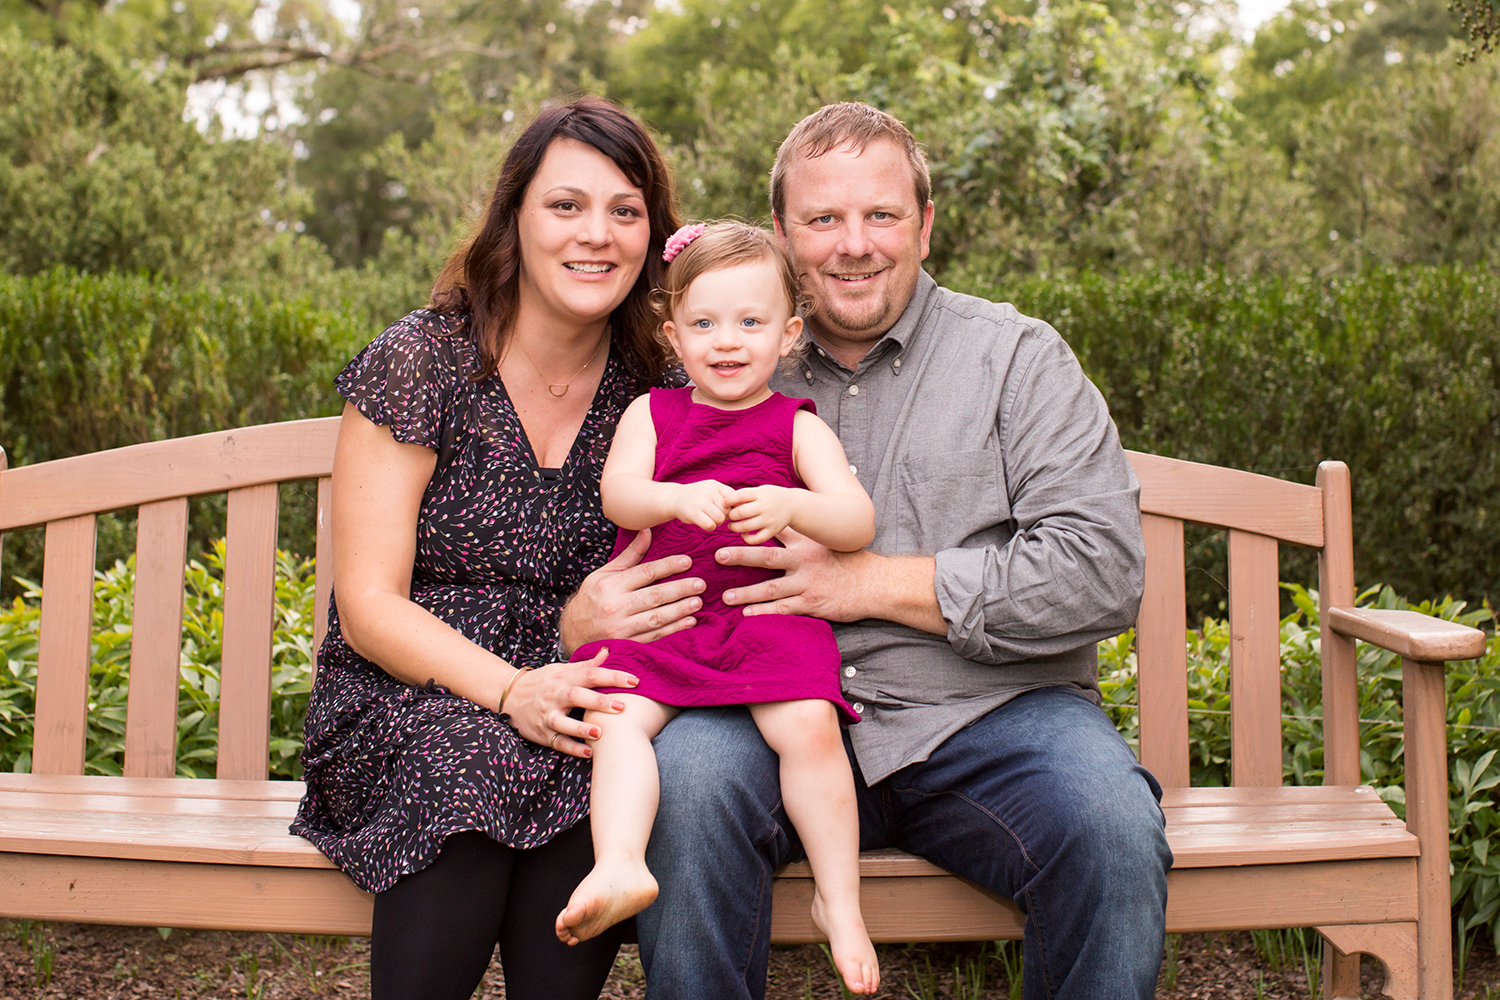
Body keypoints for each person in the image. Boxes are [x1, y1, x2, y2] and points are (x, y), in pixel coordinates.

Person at [561, 103, 1173, 1000]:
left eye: (881, 215)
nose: (854, 244)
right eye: (823, 219)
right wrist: (586, 616)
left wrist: (866, 583)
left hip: (990, 712)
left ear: (924, 225)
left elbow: (1103, 571)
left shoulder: (1018, 360)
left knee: (1110, 827)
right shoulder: (724, 357)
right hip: (756, 700)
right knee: (688, 787)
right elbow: (617, 537)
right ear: (782, 234)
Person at [289, 97, 696, 1000]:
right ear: (515, 215)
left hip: (573, 698)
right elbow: (368, 606)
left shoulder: (661, 389)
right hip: (409, 697)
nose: (597, 235)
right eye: (566, 205)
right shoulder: (425, 360)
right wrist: (515, 685)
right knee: (467, 761)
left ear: (653, 235)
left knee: (585, 768)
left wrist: (571, 646)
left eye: (625, 210)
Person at [553, 222, 880, 994]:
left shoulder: (796, 424)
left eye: (749, 323)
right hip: (666, 623)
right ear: (672, 334)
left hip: (764, 620)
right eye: (703, 324)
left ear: (788, 332)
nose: (726, 342)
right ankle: (621, 862)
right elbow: (619, 493)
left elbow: (856, 520)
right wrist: (673, 495)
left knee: (808, 724)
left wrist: (792, 506)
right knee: (616, 722)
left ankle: (841, 900)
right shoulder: (655, 415)